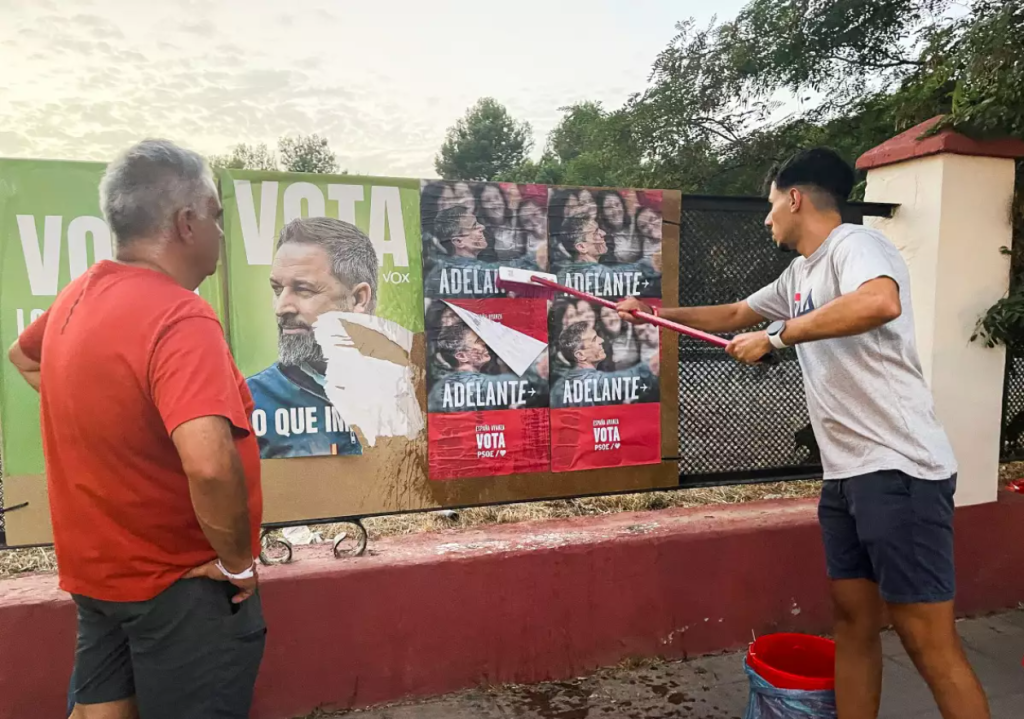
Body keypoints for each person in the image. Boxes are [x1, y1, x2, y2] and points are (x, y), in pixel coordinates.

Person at [617, 147, 989, 719]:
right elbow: (739, 313)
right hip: (845, 477)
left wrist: (780, 337)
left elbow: (878, 302)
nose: (767, 220)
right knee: (853, 622)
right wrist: (656, 314)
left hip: (899, 471)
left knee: (927, 641)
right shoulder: (800, 273)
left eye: (771, 206)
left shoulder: (855, 246)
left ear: (795, 198)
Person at [7, 139, 265, 719]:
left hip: (99, 576)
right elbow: (208, 461)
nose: (221, 234)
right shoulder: (179, 315)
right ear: (187, 221)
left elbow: (23, 358)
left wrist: (110, 414)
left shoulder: (79, 296)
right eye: (217, 218)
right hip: (181, 585)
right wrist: (236, 562)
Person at [246, 217, 377, 458]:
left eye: (303, 290)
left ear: (358, 299)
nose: (281, 307)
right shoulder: (251, 402)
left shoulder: (411, 393)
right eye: (277, 289)